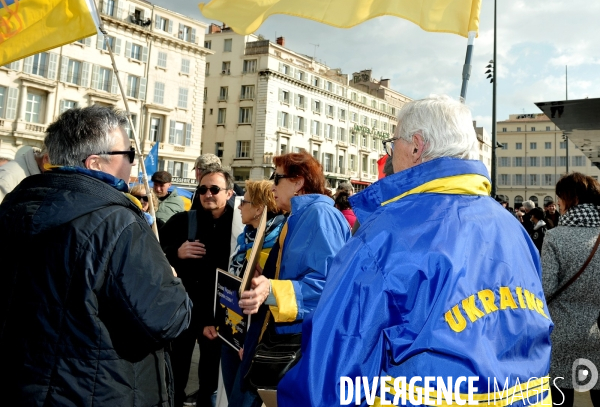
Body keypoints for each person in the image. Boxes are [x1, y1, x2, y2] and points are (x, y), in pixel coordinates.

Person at [277, 95, 553, 407]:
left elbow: (334, 363)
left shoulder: (390, 232)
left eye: (392, 143)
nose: (390, 154)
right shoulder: (512, 228)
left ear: (416, 146)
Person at [0, 106, 192, 406]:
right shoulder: (119, 222)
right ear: (96, 163)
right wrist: (171, 279)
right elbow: (168, 318)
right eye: (127, 154)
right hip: (96, 390)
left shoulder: (14, 204)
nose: (132, 163)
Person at [237, 151, 350, 397]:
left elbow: (328, 287)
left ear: (298, 182)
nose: (271, 185)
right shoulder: (300, 215)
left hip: (302, 346)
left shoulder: (320, 215)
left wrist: (271, 289)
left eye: (276, 178)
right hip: (289, 341)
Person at [161, 165, 239, 407]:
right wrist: (176, 252)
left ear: (229, 193)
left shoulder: (239, 227)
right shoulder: (181, 221)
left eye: (215, 189)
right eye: (203, 189)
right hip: (183, 314)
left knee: (211, 383)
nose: (208, 194)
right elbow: (153, 259)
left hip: (218, 318)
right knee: (175, 374)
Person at [222, 180, 285, 407]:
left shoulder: (276, 245)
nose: (238, 206)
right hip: (232, 332)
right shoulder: (246, 237)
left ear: (259, 208)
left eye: (244, 202)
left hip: (253, 341)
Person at [541, 173, 600, 407]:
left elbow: (545, 288)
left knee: (560, 398)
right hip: (597, 333)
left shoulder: (555, 237)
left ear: (571, 199)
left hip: (561, 334)